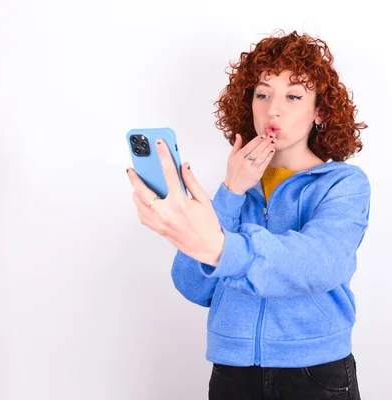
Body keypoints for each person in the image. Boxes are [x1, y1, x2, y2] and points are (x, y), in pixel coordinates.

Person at [127, 29, 371, 399]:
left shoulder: (343, 184)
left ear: (320, 111)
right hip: (233, 373)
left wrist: (223, 249)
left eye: (293, 95)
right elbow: (193, 285)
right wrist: (231, 192)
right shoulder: (233, 191)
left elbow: (321, 263)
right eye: (262, 94)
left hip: (315, 373)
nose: (273, 108)